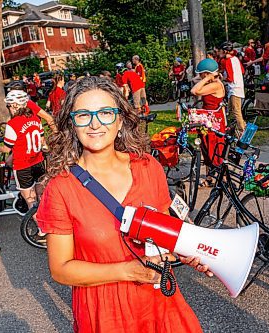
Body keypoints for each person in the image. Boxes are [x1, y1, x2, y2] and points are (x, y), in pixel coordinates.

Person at [36, 76, 210, 333]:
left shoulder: (148, 167)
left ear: (120, 121)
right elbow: (61, 270)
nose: (95, 123)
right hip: (106, 312)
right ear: (72, 124)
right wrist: (127, 271)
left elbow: (163, 234)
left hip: (159, 303)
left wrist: (187, 252)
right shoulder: (61, 188)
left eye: (105, 113)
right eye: (83, 115)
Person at [0, 90, 48, 244]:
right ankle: (49, 220)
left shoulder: (12, 124)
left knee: (30, 200)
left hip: (23, 166)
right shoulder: (35, 118)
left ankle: (43, 232)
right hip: (39, 162)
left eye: (9, 106)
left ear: (15, 105)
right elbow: (41, 141)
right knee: (41, 196)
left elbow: (8, 148)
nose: (9, 108)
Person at [190, 58, 227, 186]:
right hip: (208, 120)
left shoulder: (216, 85)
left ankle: (222, 178)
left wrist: (207, 78)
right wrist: (207, 77)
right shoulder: (212, 82)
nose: (200, 76)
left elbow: (194, 91)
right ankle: (210, 177)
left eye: (202, 74)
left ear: (206, 73)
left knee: (214, 148)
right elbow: (194, 81)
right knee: (206, 147)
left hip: (214, 121)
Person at [218, 41, 246, 132]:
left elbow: (230, 78)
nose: (219, 53)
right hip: (238, 87)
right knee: (230, 110)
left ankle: (242, 130)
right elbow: (242, 71)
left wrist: (222, 78)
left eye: (220, 51)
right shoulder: (235, 59)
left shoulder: (228, 61)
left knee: (236, 111)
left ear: (225, 51)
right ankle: (232, 129)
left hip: (235, 89)